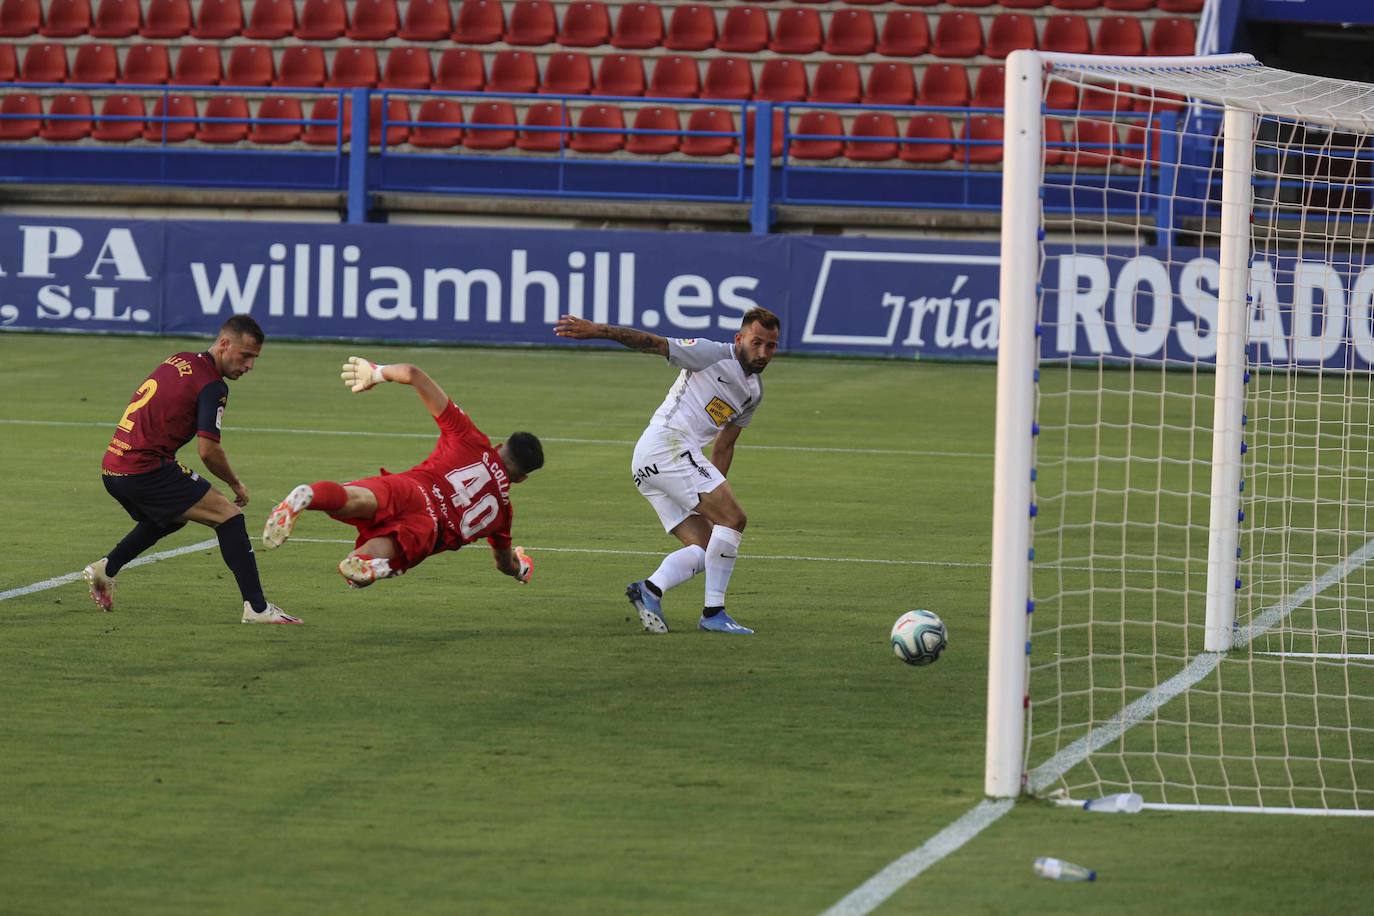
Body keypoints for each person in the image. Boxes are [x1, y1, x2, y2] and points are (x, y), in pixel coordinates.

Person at [553, 307, 781, 635]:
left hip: (660, 461)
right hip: (667, 446)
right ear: (739, 338)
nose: (762, 352)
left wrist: (714, 496)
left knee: (709, 547)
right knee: (735, 520)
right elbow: (651, 342)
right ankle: (713, 613)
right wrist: (598, 330)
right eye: (756, 342)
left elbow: (724, 446)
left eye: (770, 345)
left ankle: (650, 590)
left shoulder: (753, 392)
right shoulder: (710, 354)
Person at [83, 315, 298, 624]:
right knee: (230, 517)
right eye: (246, 355)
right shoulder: (213, 386)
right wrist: (236, 483)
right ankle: (258, 608)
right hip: (144, 468)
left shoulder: (179, 359)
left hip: (114, 466)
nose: (249, 365)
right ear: (224, 344)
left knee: (170, 518)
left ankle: (105, 569)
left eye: (255, 359)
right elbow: (208, 451)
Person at [260, 357, 543, 589]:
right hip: (428, 526)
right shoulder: (501, 514)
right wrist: (521, 567)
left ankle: (308, 495)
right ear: (521, 478)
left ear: (499, 446)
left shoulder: (470, 438)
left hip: (411, 487)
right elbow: (504, 564)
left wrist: (376, 373)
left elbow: (412, 373)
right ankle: (364, 564)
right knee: (367, 562)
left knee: (353, 498)